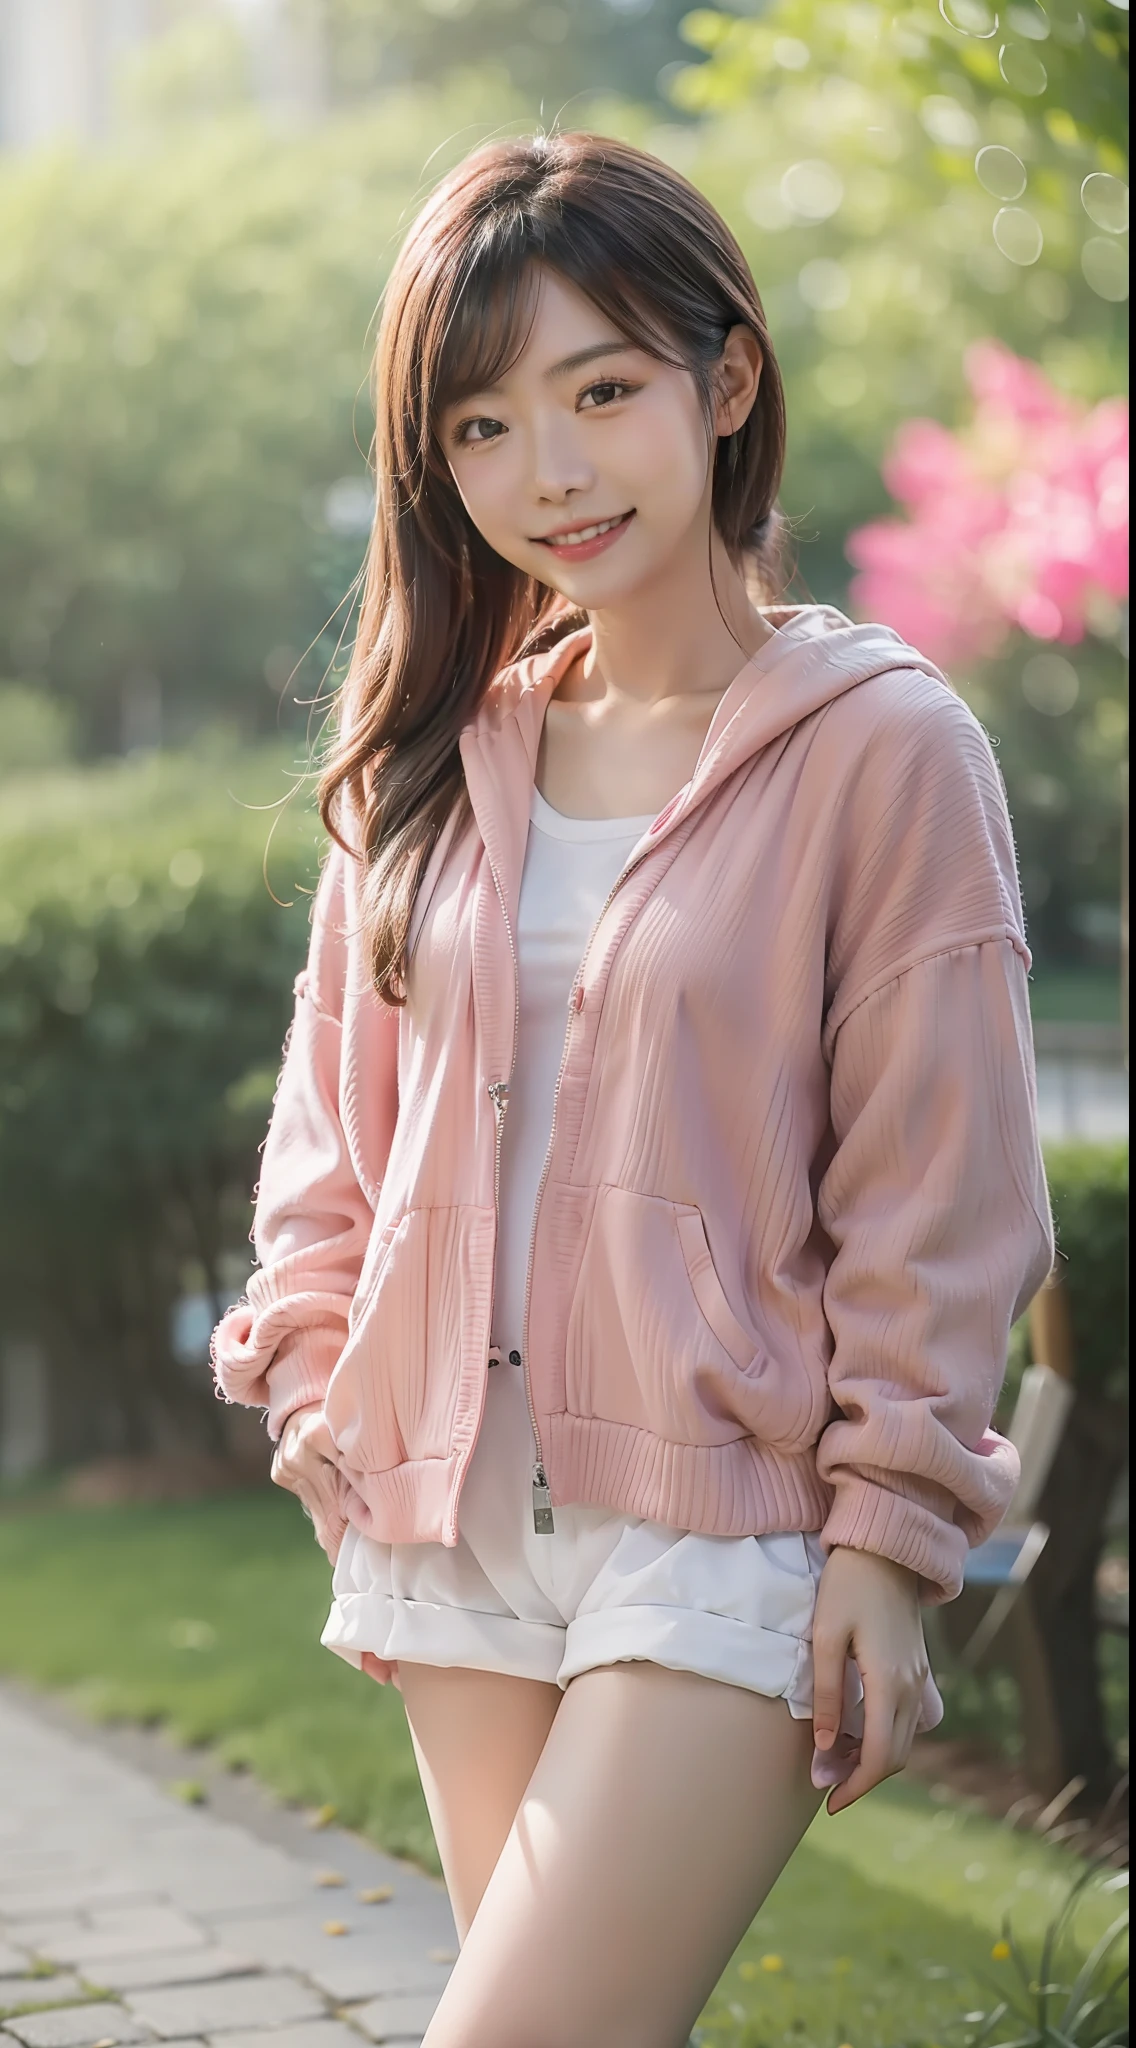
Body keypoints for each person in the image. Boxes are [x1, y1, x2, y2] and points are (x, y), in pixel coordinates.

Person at [210, 132, 1055, 2048]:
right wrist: (316, 1361)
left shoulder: (889, 753)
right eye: (485, 427)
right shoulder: (440, 756)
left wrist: (889, 1541)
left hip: (728, 1515)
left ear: (724, 381)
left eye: (601, 392)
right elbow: (332, 1127)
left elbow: (948, 1192)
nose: (552, 472)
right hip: (448, 1516)